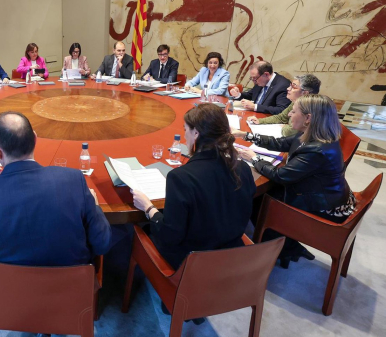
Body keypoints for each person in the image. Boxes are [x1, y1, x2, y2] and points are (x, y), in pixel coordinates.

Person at [0, 111, 111, 268]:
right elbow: (102, 243)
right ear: (35, 139)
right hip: (71, 282)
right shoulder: (74, 180)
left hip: (6, 284)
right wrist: (95, 206)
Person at [132, 103, 256, 271]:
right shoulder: (242, 168)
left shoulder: (180, 177)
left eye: (185, 130)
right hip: (233, 255)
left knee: (141, 229)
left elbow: (170, 236)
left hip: (194, 265)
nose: (184, 136)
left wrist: (148, 208)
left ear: (196, 133)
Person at [234, 94, 355, 265]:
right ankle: (285, 245)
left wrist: (254, 159)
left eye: (294, 111)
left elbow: (280, 176)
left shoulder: (317, 150)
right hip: (320, 192)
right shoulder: (312, 134)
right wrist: (246, 135)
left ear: (308, 118)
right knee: (261, 196)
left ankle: (280, 249)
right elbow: (281, 143)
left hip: (324, 205)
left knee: (257, 201)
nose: (289, 114)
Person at [247, 74, 321, 137]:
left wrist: (285, 127)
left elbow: (289, 132)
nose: (288, 89)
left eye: (293, 87)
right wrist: (260, 121)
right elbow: (281, 117)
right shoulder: (295, 102)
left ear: (305, 93)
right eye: (290, 86)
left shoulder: (308, 109)